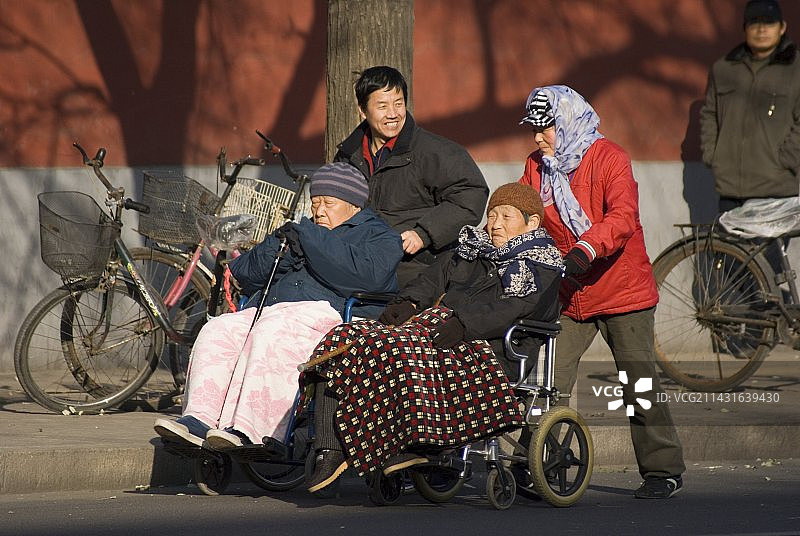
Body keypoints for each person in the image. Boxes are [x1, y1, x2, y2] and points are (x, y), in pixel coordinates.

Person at [303, 183, 563, 493]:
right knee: (347, 340)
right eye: (492, 215)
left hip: (491, 347)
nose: (495, 224)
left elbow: (517, 307)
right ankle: (329, 449)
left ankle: (412, 444)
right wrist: (408, 303)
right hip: (438, 331)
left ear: (531, 222)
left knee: (399, 353)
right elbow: (432, 279)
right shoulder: (471, 249)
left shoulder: (542, 265)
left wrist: (464, 323)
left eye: (507, 216)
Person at [153, 162, 403, 450]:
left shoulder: (380, 236)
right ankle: (199, 418)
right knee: (219, 329)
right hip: (273, 311)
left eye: (329, 203)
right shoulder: (302, 230)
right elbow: (244, 273)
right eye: (315, 201)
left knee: (274, 332)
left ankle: (252, 429)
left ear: (353, 205)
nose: (319, 210)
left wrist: (310, 238)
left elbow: (363, 276)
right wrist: (277, 244)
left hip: (330, 315)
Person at [518, 85, 686, 499]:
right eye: (535, 129)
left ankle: (663, 471)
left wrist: (585, 248)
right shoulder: (538, 166)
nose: (538, 137)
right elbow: (526, 211)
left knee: (638, 383)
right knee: (548, 383)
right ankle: (536, 463)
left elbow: (623, 216)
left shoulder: (610, 158)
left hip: (621, 290)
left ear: (568, 122)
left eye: (546, 128)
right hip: (572, 292)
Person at [334, 65, 489, 287]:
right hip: (358, 260)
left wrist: (424, 233)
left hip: (417, 264)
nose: (393, 114)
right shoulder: (348, 155)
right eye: (382, 106)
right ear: (362, 109)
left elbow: (470, 194)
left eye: (398, 103)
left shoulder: (435, 151)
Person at [700, 0, 800, 214]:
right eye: (754, 23)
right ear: (744, 28)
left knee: (767, 250)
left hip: (776, 188)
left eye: (769, 23)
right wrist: (713, 155)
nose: (761, 29)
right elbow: (709, 113)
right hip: (730, 189)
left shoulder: (795, 69)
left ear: (782, 27)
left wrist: (785, 160)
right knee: (727, 248)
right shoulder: (724, 68)